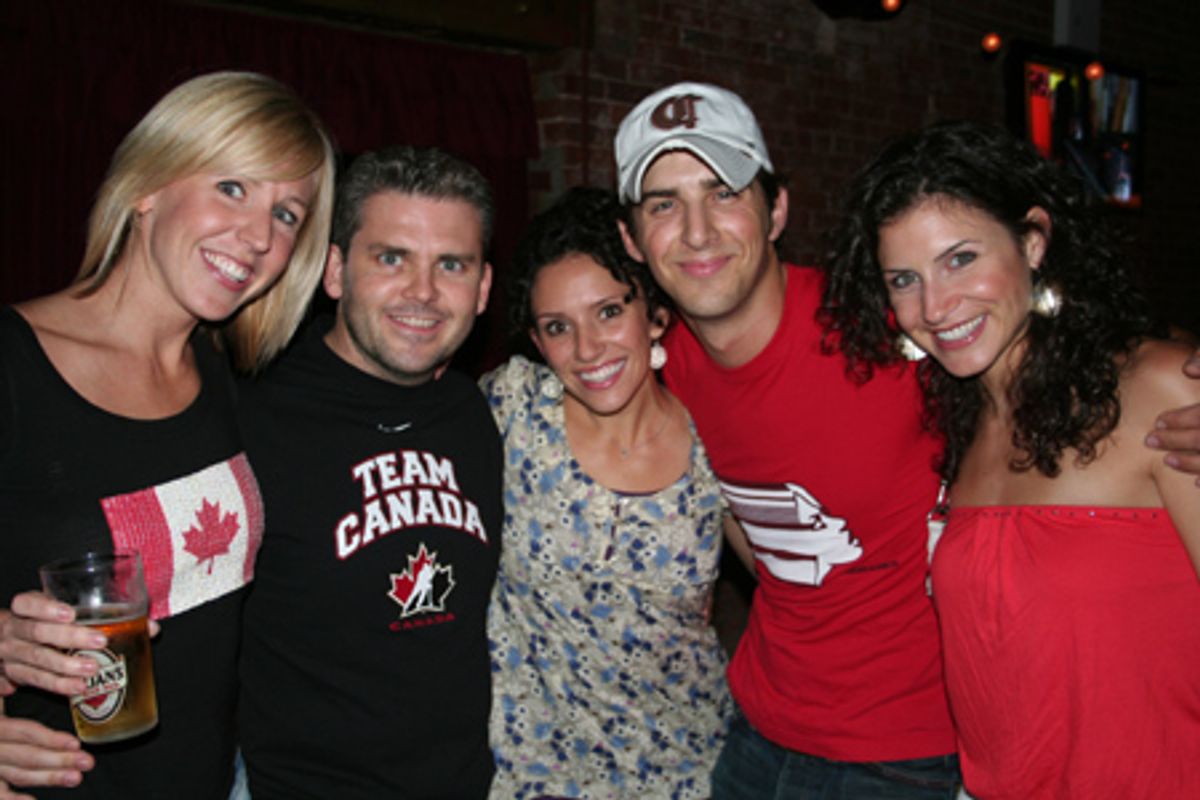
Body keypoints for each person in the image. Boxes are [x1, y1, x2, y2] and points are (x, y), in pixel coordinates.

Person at [611, 81, 1200, 799]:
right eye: (663, 205)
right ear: (632, 238)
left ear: (776, 210)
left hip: (909, 763)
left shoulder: (896, 340)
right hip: (762, 733)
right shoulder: (654, 364)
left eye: (723, 192)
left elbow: (1079, 350)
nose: (697, 231)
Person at [822, 120, 1200, 797]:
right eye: (904, 278)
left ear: (1033, 241)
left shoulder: (1158, 392)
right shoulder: (957, 426)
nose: (934, 307)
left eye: (960, 259)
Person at [0, 70, 334, 799]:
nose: (256, 237)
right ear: (147, 185)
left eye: (288, 215)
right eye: (233, 187)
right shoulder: (15, 364)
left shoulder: (230, 384)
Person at [234, 145, 502, 799]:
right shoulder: (247, 413)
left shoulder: (476, 414)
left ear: (484, 287)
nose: (423, 292)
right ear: (334, 271)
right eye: (391, 258)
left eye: (451, 265)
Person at [482, 187, 731, 799]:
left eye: (609, 312)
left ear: (654, 311)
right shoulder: (512, 408)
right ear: (536, 343)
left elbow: (793, 585)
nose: (587, 349)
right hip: (534, 774)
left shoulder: (717, 443)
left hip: (689, 769)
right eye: (558, 327)